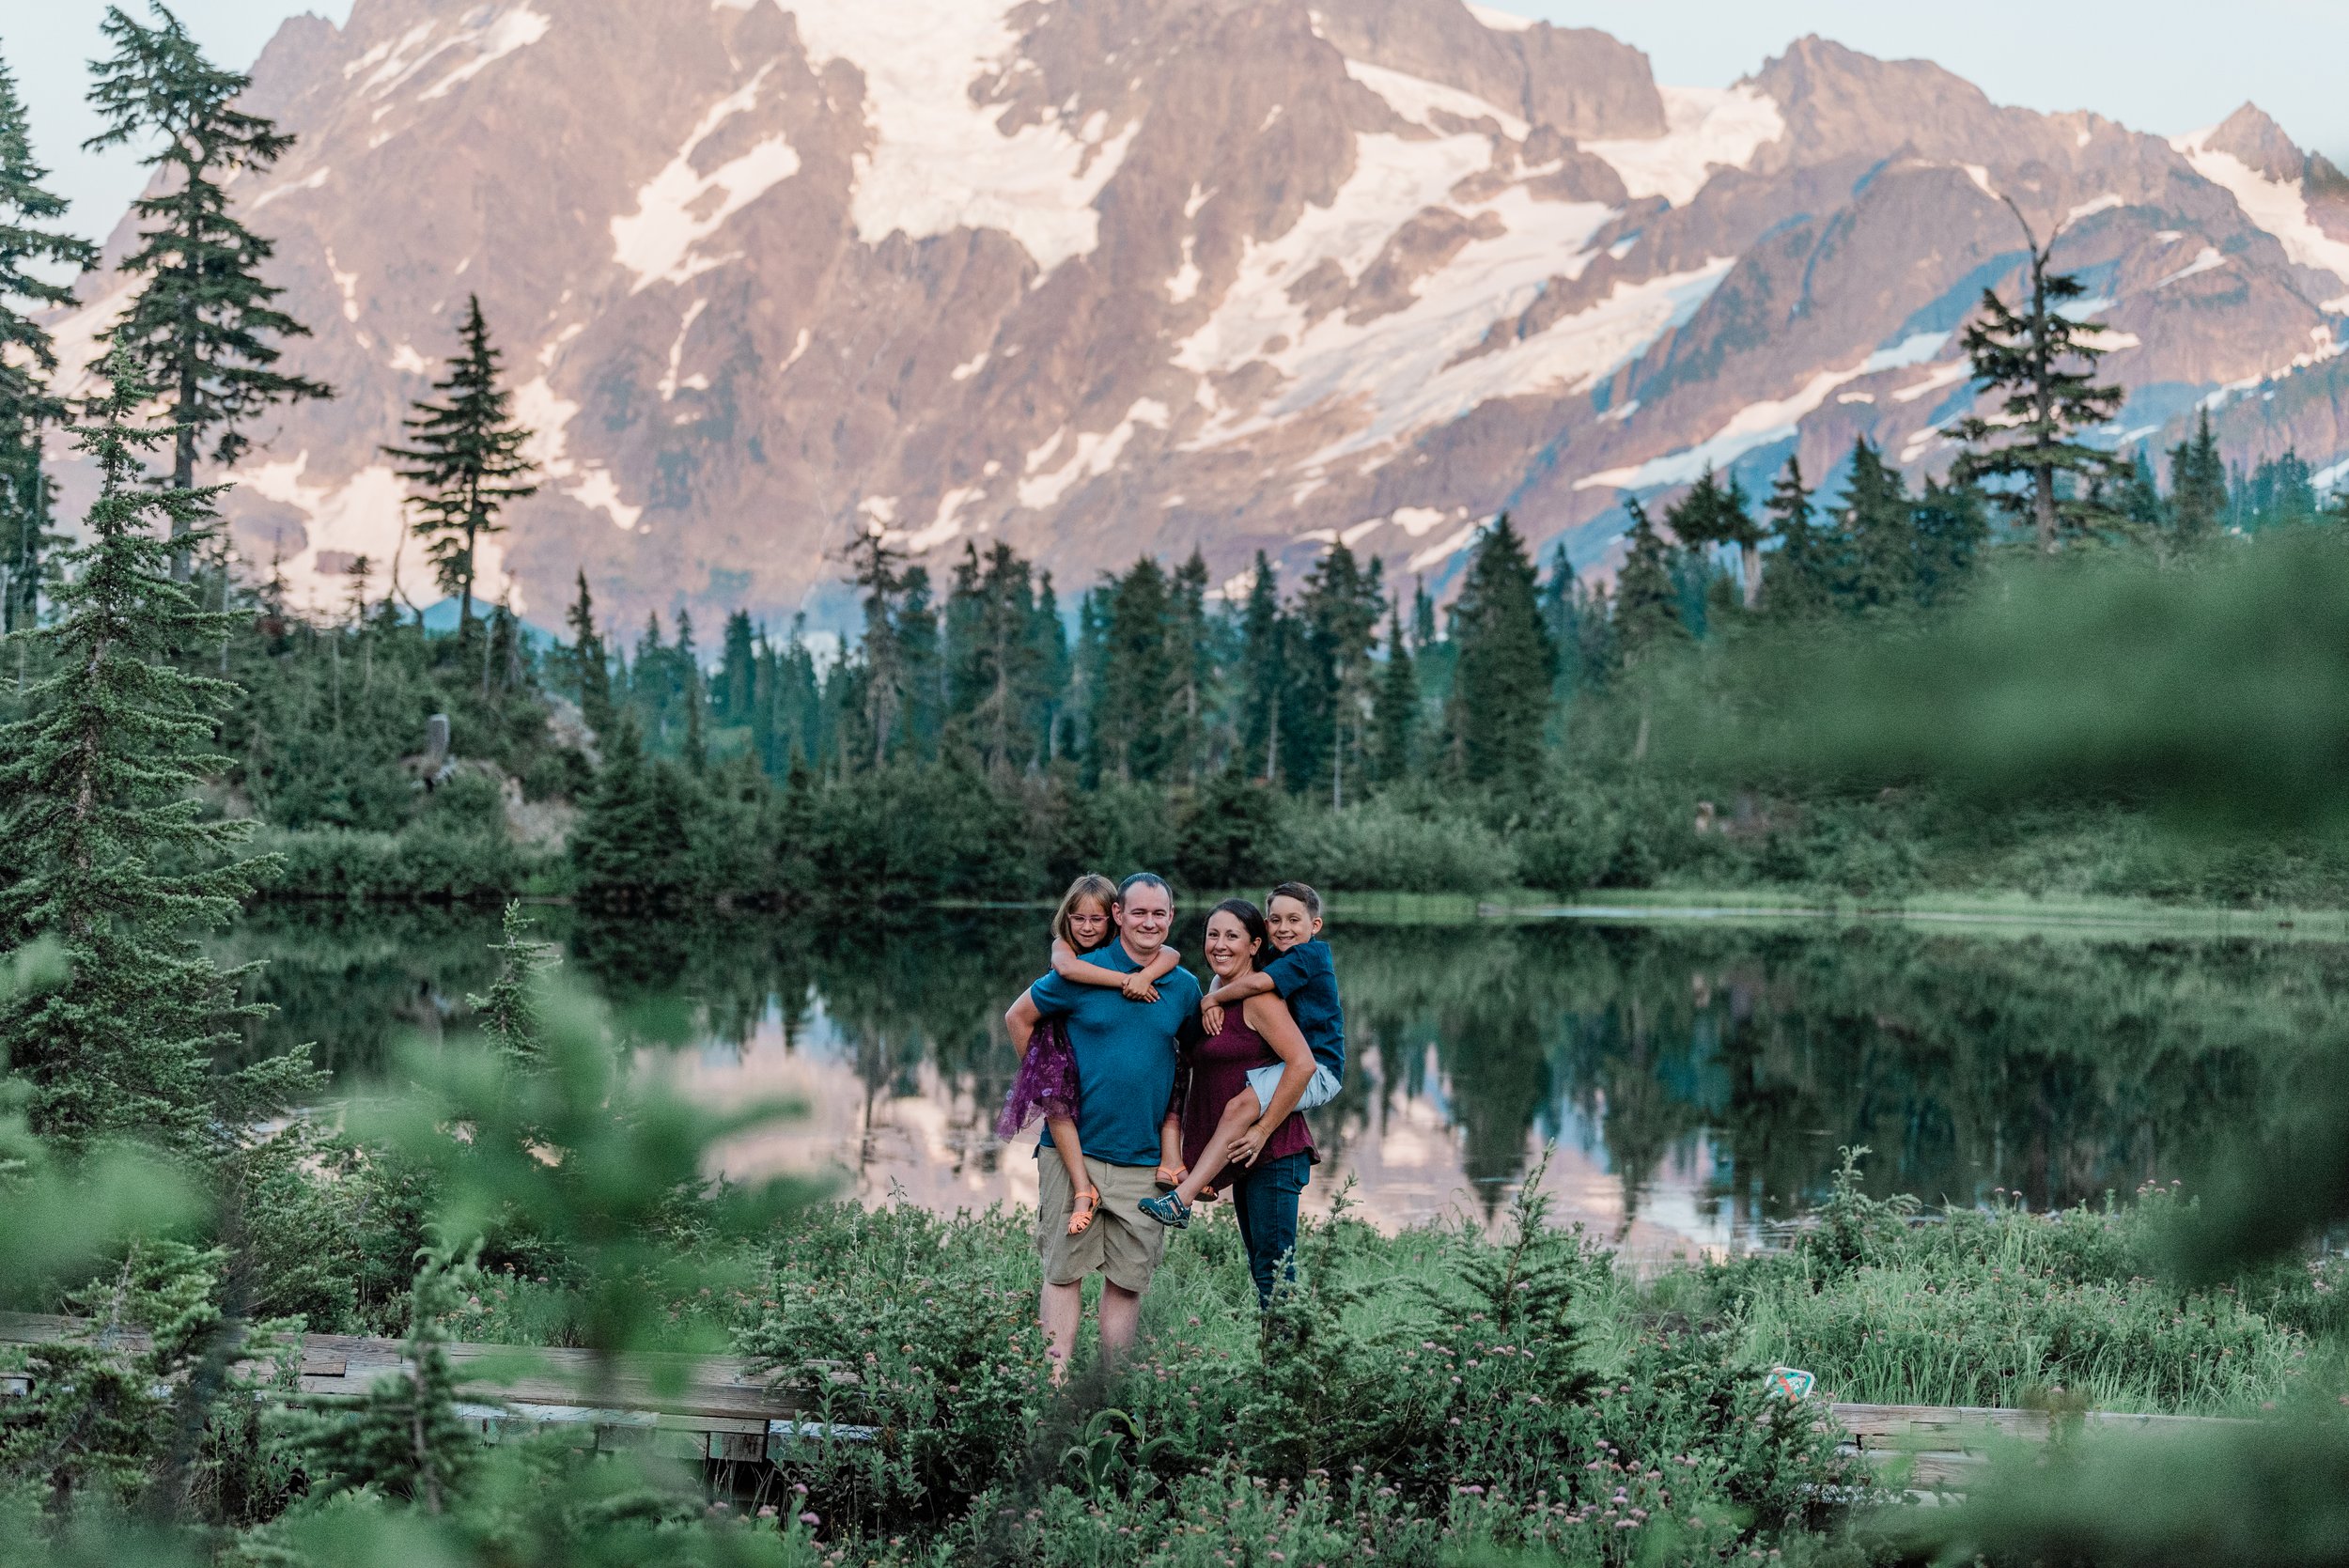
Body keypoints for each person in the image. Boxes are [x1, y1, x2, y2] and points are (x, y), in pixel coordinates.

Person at [1003, 873, 1202, 1377]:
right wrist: (1049, 1090)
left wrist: (1178, 1143)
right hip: (1075, 1154)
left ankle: (1110, 1395)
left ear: (1171, 918)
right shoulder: (1080, 973)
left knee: (1127, 1282)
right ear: (1119, 916)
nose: (1149, 922)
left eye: (1160, 914)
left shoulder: (1183, 987)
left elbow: (1189, 1063)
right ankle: (1054, 1386)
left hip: (1143, 1160)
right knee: (1063, 1273)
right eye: (1138, 912)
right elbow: (1017, 1018)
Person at [1140, 881, 1343, 1227]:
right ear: (1265, 927)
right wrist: (1215, 992)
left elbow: (1256, 983)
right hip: (1305, 1064)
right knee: (1236, 1104)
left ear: (1315, 925)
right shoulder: (1280, 954)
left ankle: (1181, 1200)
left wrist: (1212, 998)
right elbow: (1235, 975)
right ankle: (1200, 1180)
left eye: (1294, 920)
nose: (1284, 928)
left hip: (1321, 1068)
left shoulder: (1308, 955)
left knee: (1240, 1106)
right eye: (1275, 920)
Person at [996, 874, 1183, 1236]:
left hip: (1125, 1117)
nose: (1086, 927)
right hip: (1056, 1042)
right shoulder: (1063, 948)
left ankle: (1172, 1161)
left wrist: (1146, 974)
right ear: (1066, 918)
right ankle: (1083, 1189)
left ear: (1113, 917)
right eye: (1078, 918)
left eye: (1095, 919)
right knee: (1058, 1110)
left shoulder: (1126, 949)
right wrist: (1130, 982)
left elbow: (1172, 954)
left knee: (1174, 1077)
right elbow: (1064, 973)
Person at [1160, 899, 1319, 1303]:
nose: (1220, 945)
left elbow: (1303, 1065)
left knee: (1275, 1274)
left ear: (1254, 945)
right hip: (1243, 1151)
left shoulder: (1261, 999)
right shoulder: (1218, 995)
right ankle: (1278, 1361)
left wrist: (1263, 1130)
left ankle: (1290, 1363)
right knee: (1263, 1270)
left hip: (1275, 1150)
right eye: (1213, 935)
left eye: (1232, 936)